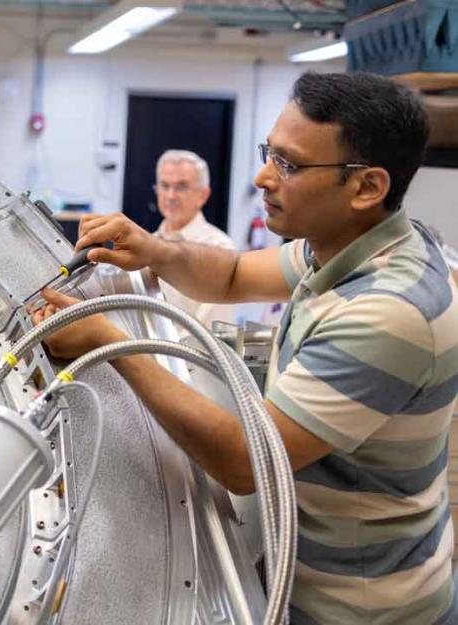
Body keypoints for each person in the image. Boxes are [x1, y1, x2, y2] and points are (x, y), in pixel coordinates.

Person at [34, 72, 458, 624]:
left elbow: (245, 460)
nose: (262, 177)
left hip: (360, 606)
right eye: (269, 153)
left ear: (366, 187)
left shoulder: (390, 312)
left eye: (289, 165)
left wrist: (108, 341)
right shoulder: (348, 245)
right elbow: (233, 274)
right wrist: (155, 250)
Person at [153, 149, 235, 328]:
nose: (170, 196)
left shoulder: (220, 248)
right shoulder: (148, 245)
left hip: (191, 354)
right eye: (165, 186)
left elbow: (211, 333)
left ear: (203, 195)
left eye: (181, 187)